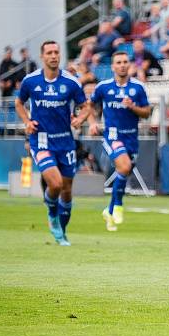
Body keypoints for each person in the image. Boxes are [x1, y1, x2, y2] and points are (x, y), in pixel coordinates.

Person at [15, 40, 90, 245]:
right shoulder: (30, 81)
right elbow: (18, 103)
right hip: (41, 140)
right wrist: (27, 122)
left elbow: (85, 106)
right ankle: (51, 212)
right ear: (42, 56)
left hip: (65, 142)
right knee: (55, 183)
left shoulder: (71, 82)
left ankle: (61, 231)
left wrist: (80, 119)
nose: (54, 56)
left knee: (66, 190)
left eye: (56, 52)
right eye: (49, 52)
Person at [88, 52, 152, 231]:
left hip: (131, 136)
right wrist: (93, 123)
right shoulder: (103, 87)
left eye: (125, 62)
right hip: (113, 135)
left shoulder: (138, 88)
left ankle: (109, 211)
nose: (122, 65)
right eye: (118, 62)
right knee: (123, 167)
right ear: (113, 66)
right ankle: (118, 207)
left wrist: (133, 107)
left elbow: (147, 112)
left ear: (129, 65)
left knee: (123, 172)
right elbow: (89, 105)